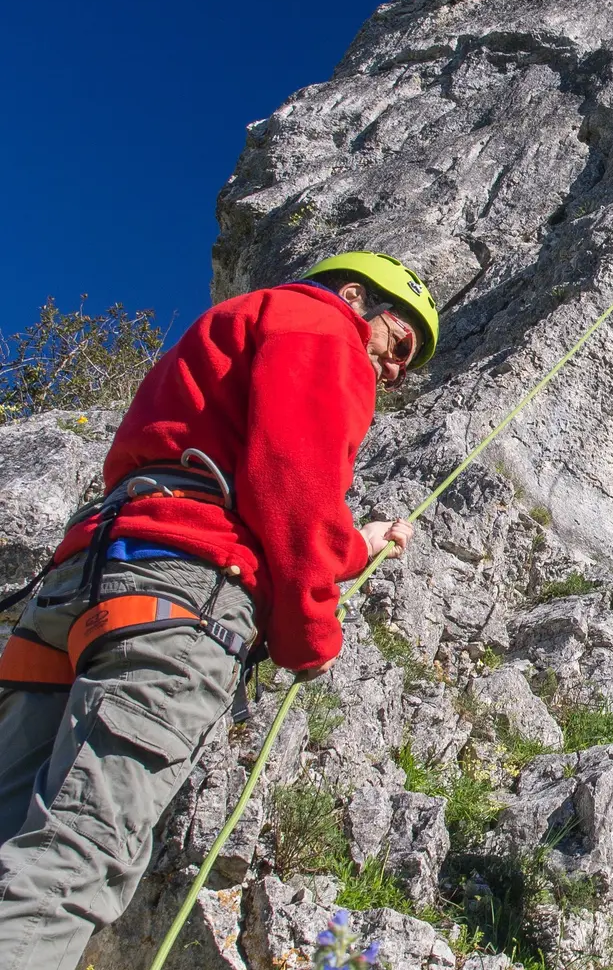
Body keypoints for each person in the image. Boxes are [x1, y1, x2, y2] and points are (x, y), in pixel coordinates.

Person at [0, 251, 438, 970]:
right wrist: (310, 635)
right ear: (356, 296)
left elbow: (237, 478)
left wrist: (360, 544)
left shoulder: (226, 332)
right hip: (179, 598)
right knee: (78, 853)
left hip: (84, 579)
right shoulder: (322, 326)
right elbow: (293, 484)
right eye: (398, 344)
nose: (393, 370)